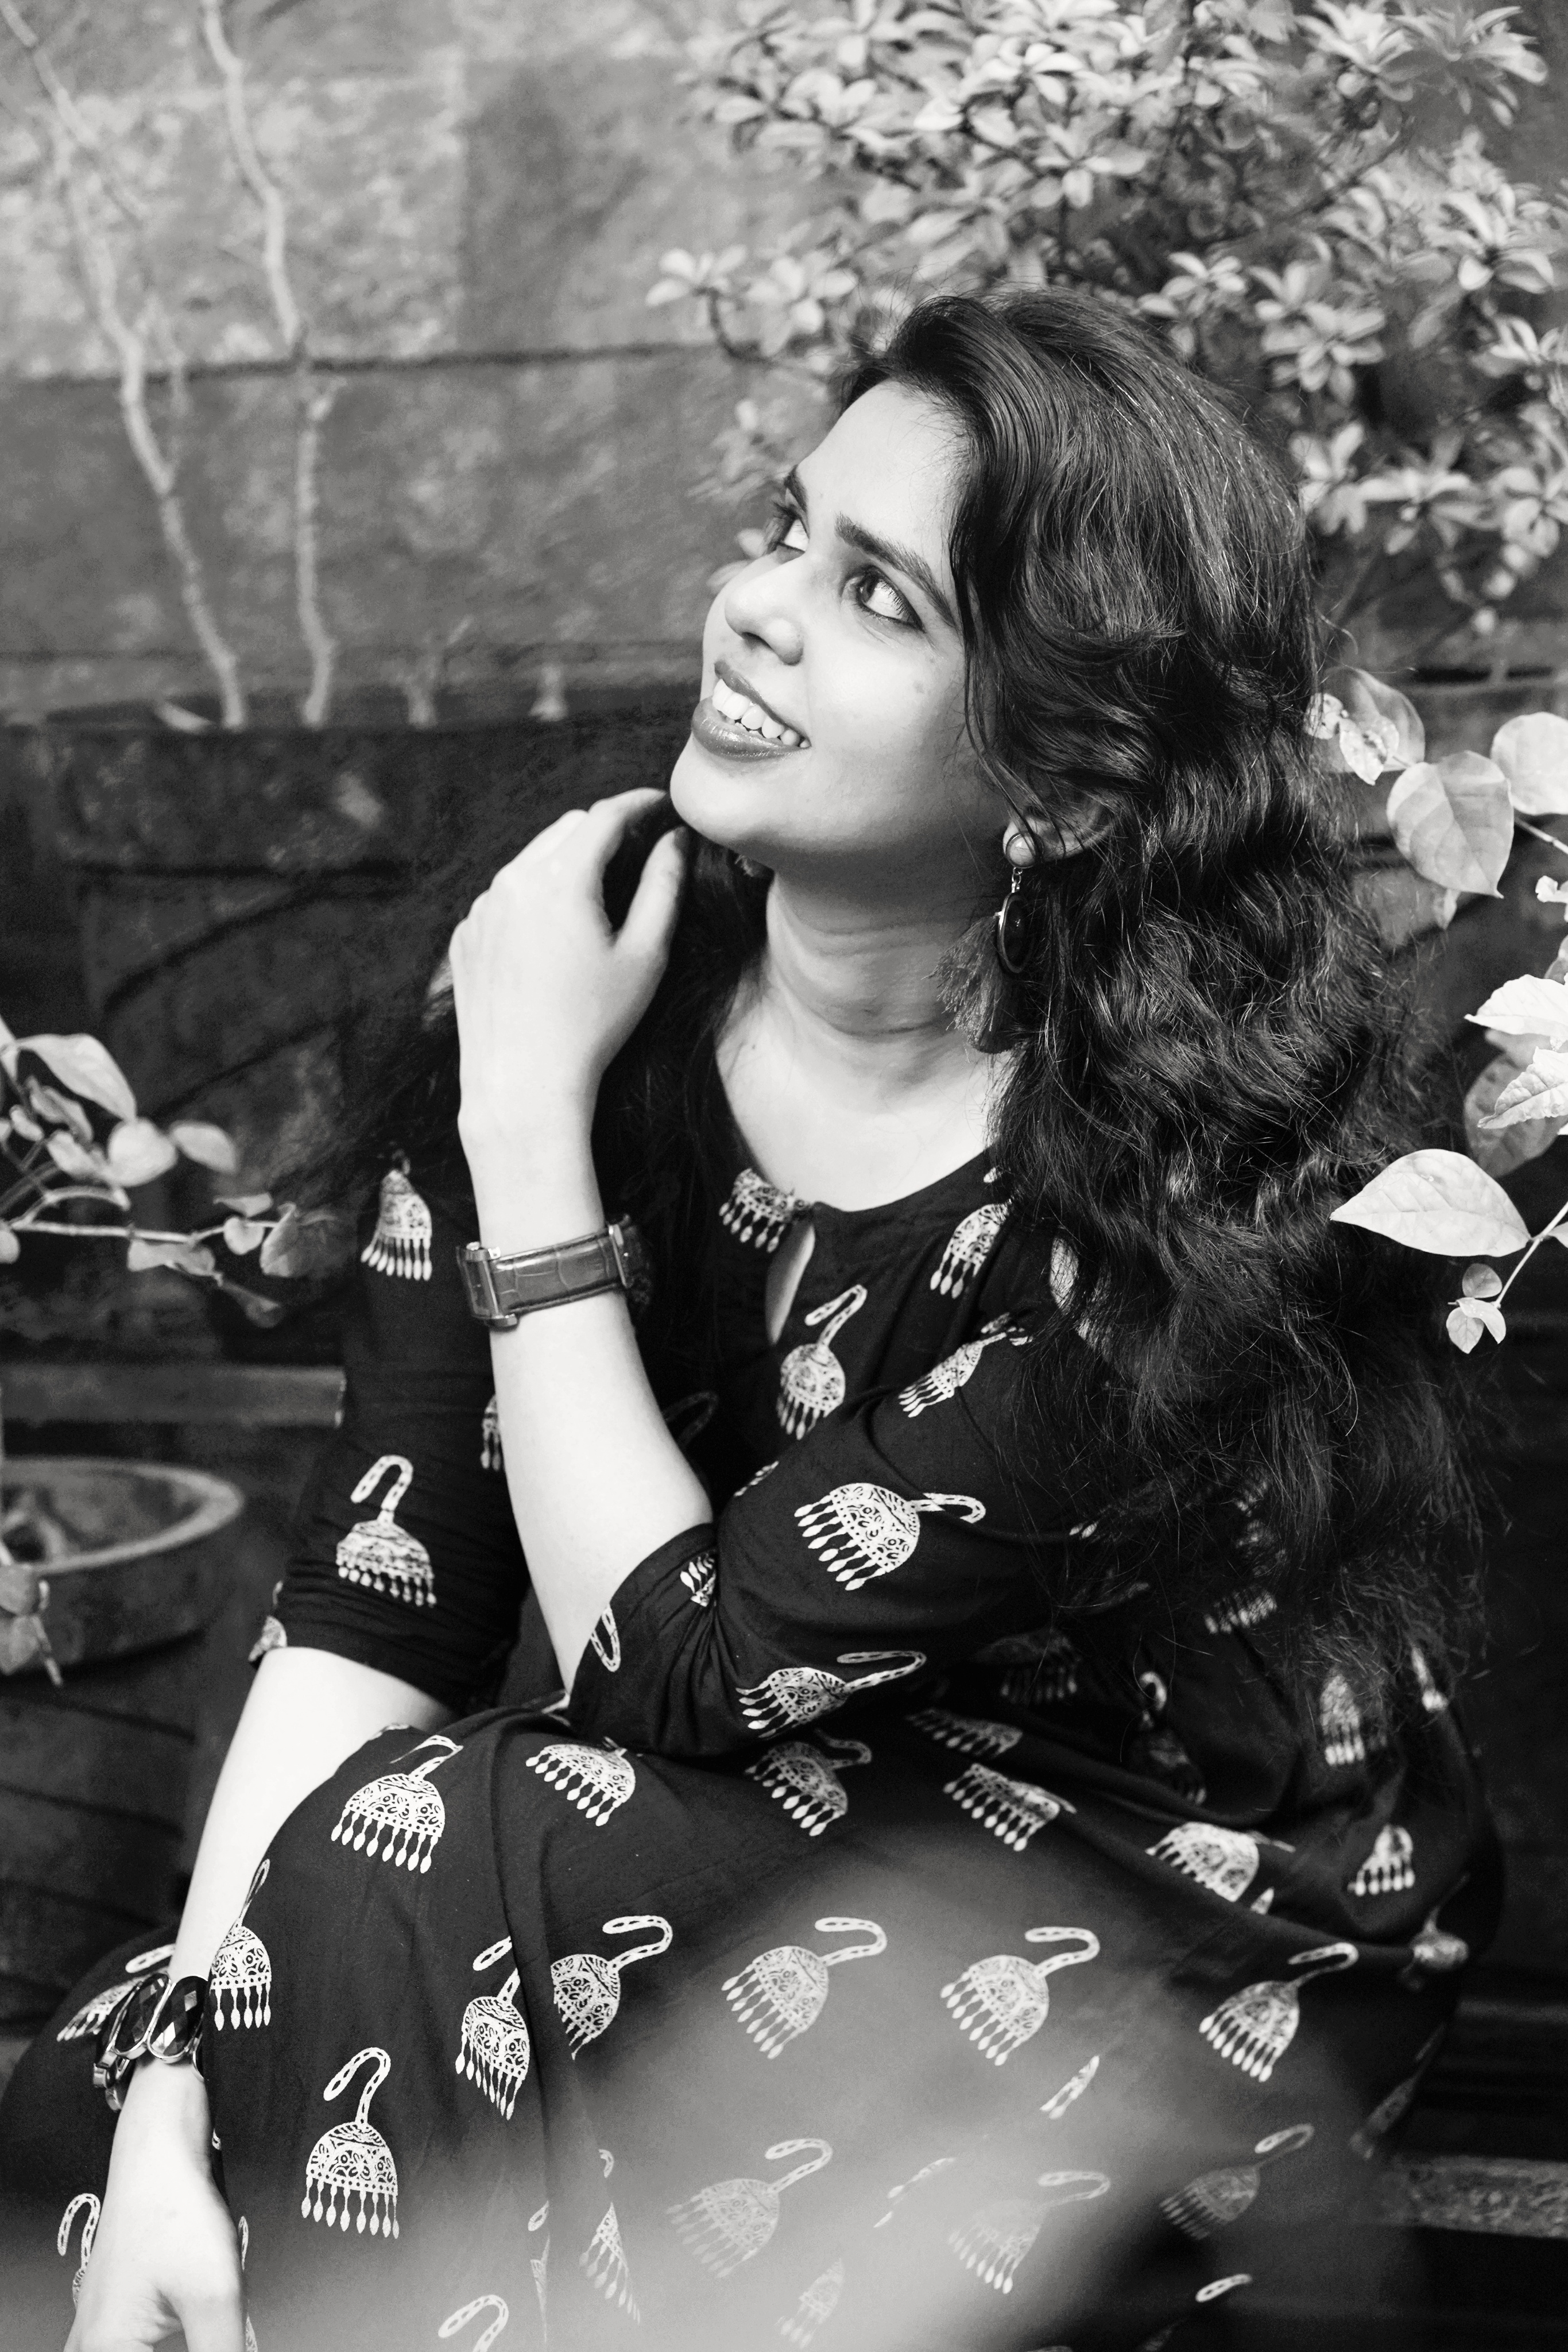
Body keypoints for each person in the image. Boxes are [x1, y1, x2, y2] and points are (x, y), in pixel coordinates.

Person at [0, 291, 1498, 2352]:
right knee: (95, 2097)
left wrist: (524, 1127)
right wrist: (182, 2081)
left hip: (1150, 1892)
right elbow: (373, 1608)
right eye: (787, 531)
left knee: (411, 1866)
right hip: (708, 1832)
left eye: (876, 595)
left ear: (1061, 781)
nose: (757, 610)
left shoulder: (1167, 1196)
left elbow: (677, 1673)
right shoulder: (578, 987)